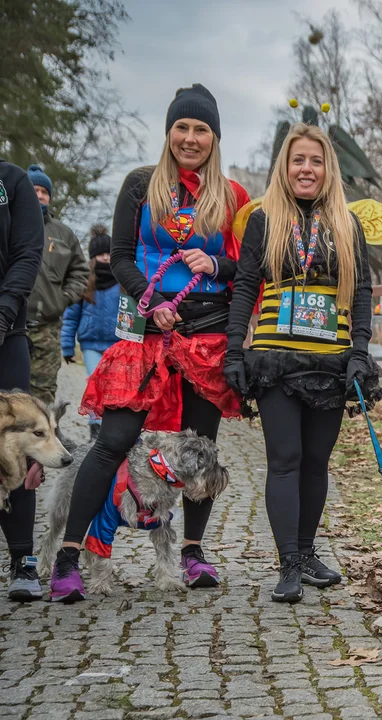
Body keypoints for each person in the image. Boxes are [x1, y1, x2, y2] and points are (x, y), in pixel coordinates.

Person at [49, 84, 251, 602]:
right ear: (169, 132)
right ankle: (69, 556)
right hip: (146, 330)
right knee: (113, 440)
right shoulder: (140, 185)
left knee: (201, 445)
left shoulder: (233, 196)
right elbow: (119, 256)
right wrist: (148, 299)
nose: (190, 138)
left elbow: (248, 267)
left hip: (205, 334)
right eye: (182, 127)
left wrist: (219, 264)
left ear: (215, 137)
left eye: (201, 129)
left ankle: (192, 552)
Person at [224, 123, 374, 603]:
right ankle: (288, 562)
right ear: (284, 169)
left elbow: (364, 291)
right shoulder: (264, 221)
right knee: (284, 460)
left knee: (316, 462)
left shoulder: (347, 225)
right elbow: (246, 285)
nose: (306, 169)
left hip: (330, 359)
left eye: (315, 160)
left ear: (328, 169)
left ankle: (307, 552)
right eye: (298, 161)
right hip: (275, 357)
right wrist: (233, 348)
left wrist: (360, 350)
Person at [0, 159, 45, 601]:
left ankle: (23, 558)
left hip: (6, 334)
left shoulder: (11, 181)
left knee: (17, 442)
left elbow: (27, 251)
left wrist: (4, 311)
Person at [25, 164, 89, 405]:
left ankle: (41, 441)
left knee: (42, 394)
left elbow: (80, 272)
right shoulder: (7, 223)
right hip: (7, 325)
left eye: (44, 191)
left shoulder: (64, 233)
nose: (40, 195)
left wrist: (62, 299)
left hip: (46, 328)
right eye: (34, 189)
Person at [61, 226, 121, 441]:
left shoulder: (122, 281)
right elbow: (71, 316)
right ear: (94, 256)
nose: (106, 257)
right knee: (95, 385)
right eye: (102, 254)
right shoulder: (85, 282)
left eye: (109, 253)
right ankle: (95, 429)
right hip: (90, 344)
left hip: (117, 344)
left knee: (116, 387)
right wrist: (67, 346)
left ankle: (113, 429)